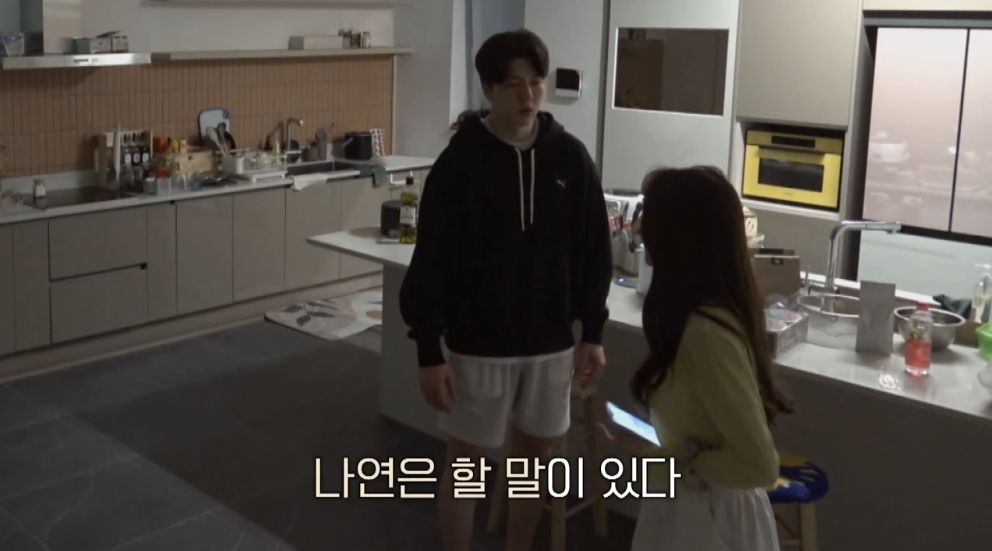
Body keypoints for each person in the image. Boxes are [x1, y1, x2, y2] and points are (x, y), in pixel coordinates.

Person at [399, 29, 613, 551]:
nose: (528, 96)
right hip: (478, 344)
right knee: (467, 467)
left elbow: (594, 250)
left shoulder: (570, 158)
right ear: (489, 88)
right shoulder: (461, 163)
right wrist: (429, 349)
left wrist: (593, 332)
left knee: (532, 466)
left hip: (550, 343)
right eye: (514, 85)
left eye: (536, 82)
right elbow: (431, 260)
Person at [601, 166, 795, 550]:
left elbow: (758, 465)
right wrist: (651, 453)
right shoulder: (696, 319)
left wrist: (667, 458)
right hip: (686, 509)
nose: (641, 229)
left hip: (711, 522)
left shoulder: (706, 334)